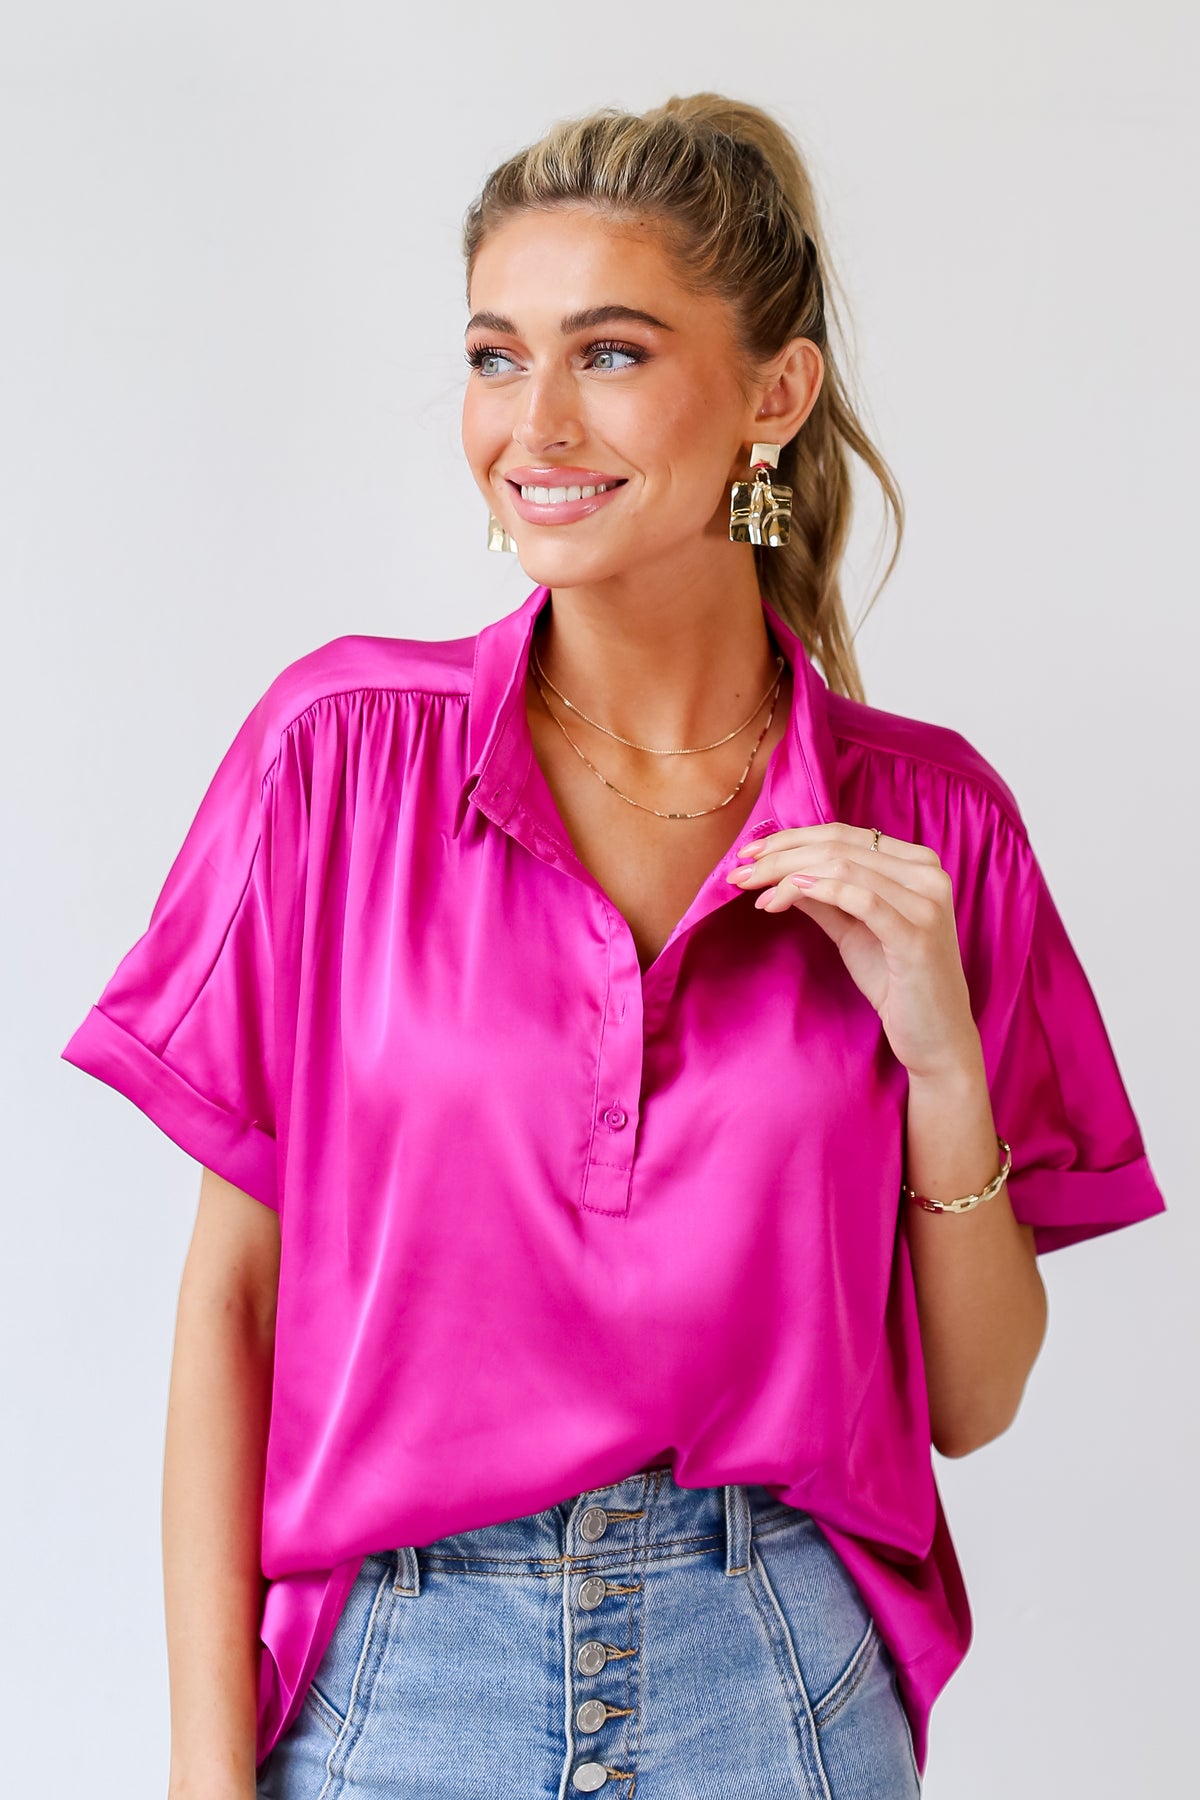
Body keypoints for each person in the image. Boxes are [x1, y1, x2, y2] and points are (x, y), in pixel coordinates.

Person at [61, 94, 1166, 1800]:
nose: (536, 422)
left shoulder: (932, 830)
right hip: (396, 1690)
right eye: (496, 357)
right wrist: (207, 1777)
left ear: (774, 398)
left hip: (773, 1690)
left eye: (612, 353)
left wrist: (944, 1062)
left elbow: (973, 1401)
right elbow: (231, 1305)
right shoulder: (340, 761)